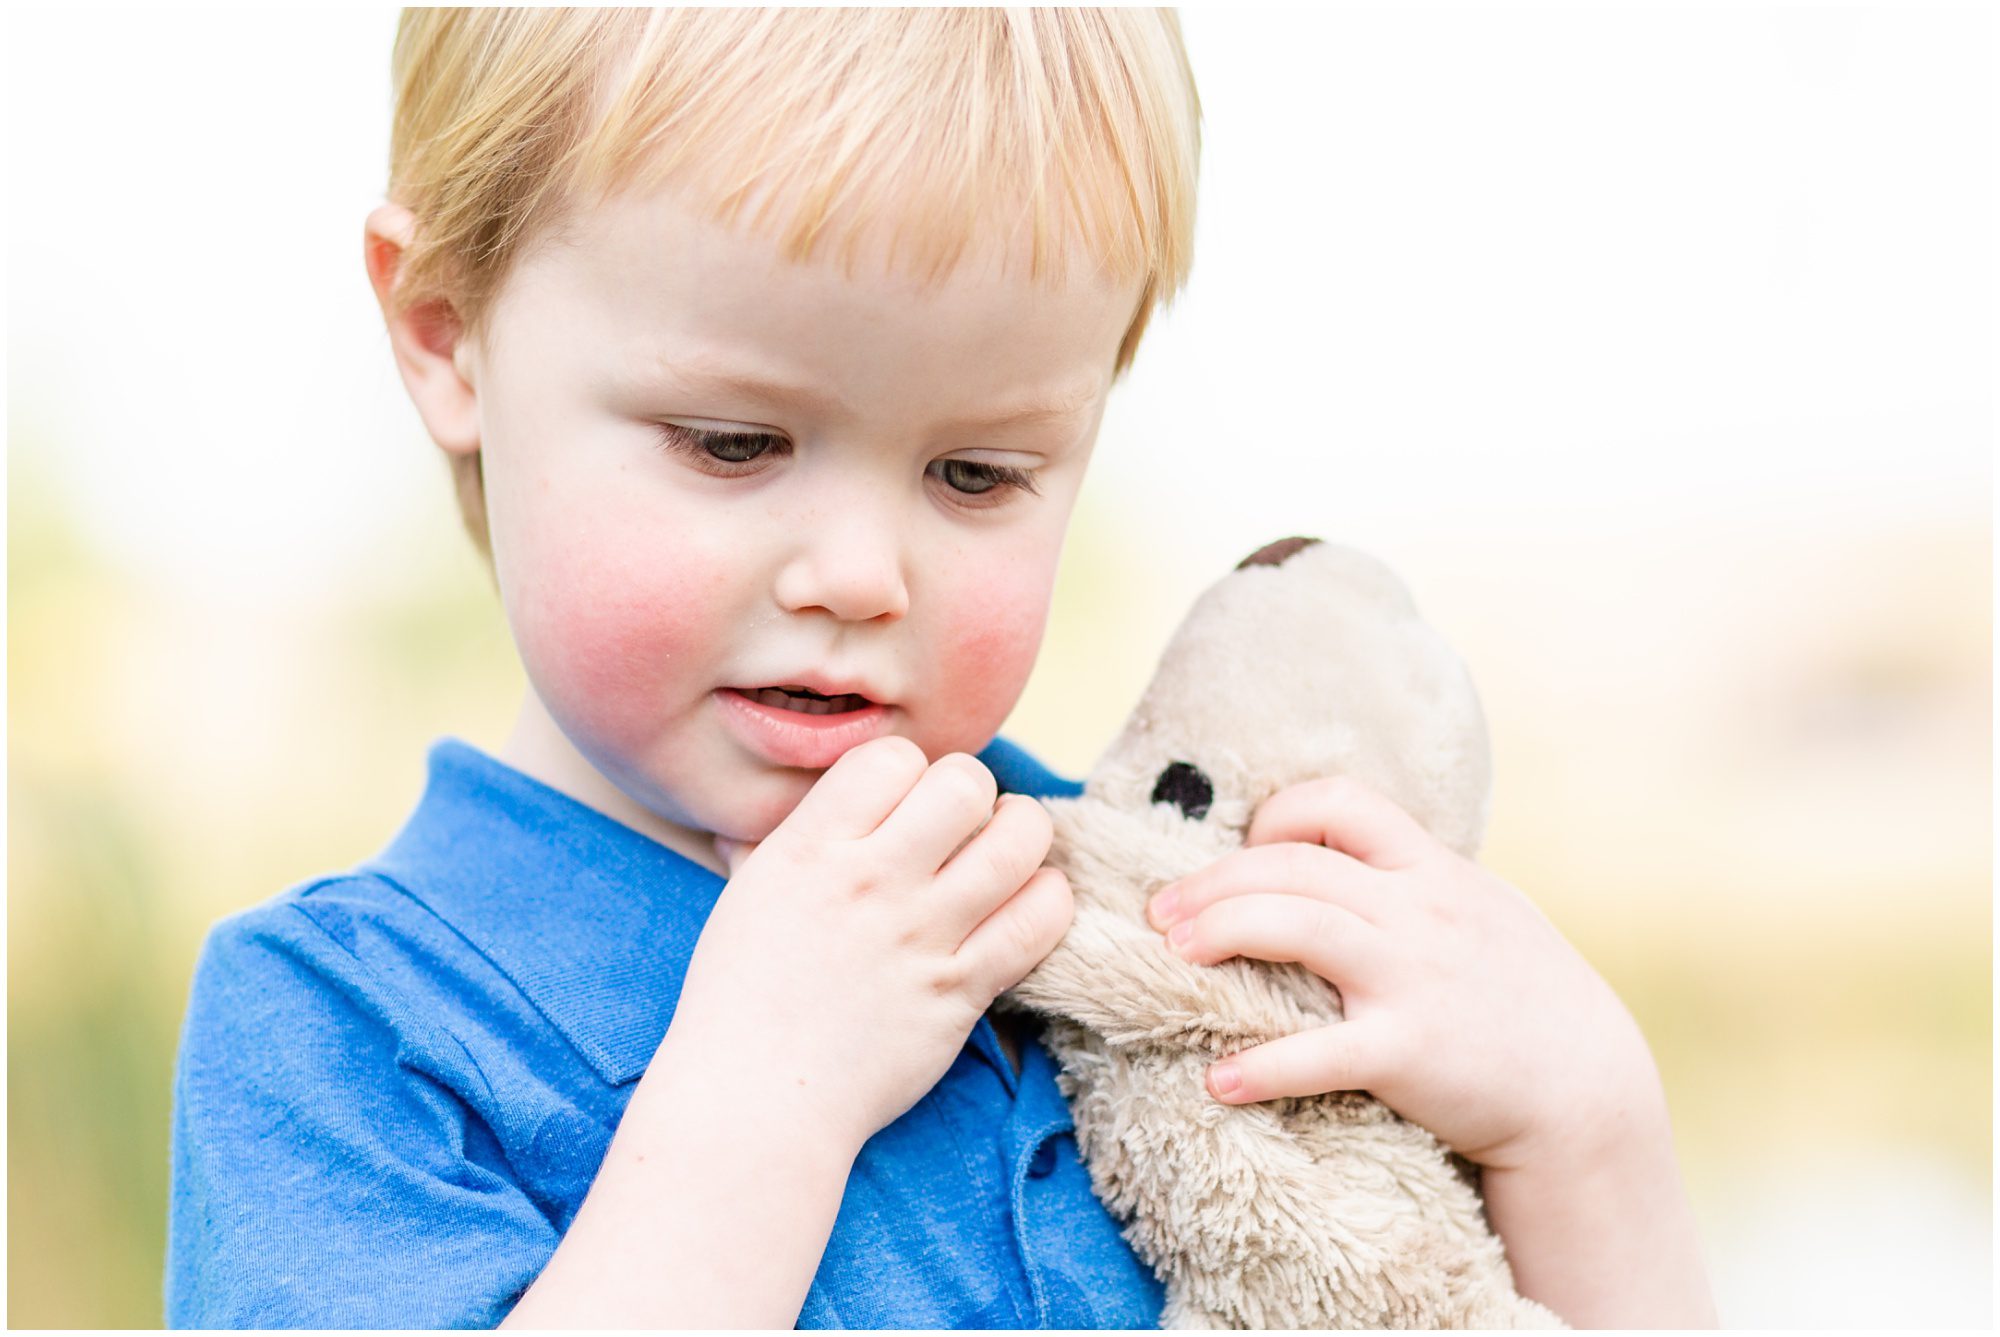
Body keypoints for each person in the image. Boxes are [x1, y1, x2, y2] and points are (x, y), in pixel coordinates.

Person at [166, 8, 1715, 1329]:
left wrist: (1585, 1125)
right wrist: (760, 1099)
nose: (860, 573)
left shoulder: (1139, 913)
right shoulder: (342, 1023)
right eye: (734, 442)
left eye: (976, 472)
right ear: (448, 337)